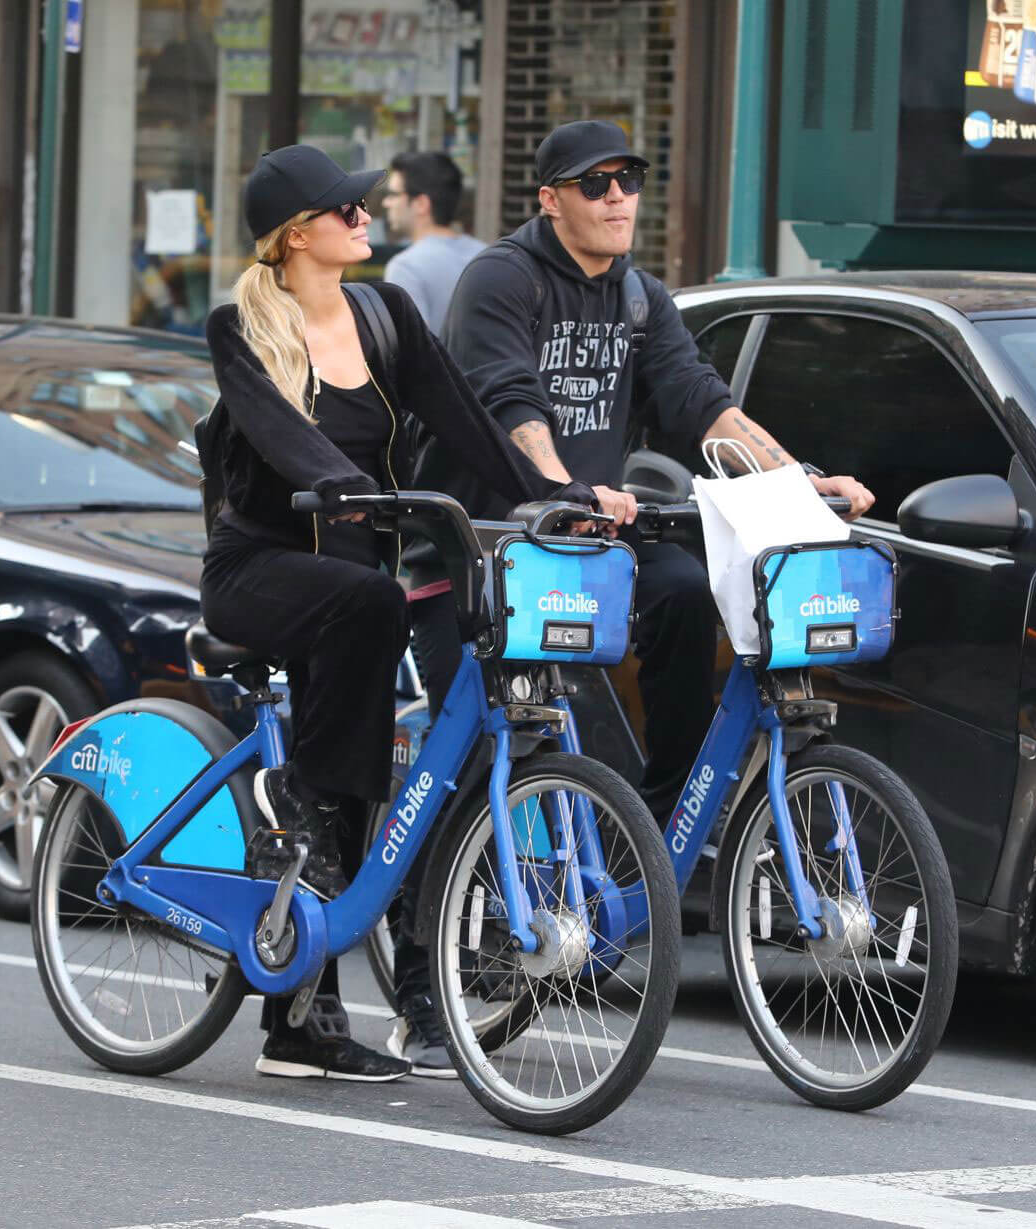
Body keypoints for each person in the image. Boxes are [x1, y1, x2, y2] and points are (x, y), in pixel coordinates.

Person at [388, 121, 875, 1058]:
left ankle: (647, 822)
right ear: (550, 199)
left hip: (593, 538)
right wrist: (561, 486)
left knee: (689, 591)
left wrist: (797, 479)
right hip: (484, 542)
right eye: (596, 183)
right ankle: (420, 987)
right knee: (465, 751)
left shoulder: (642, 298)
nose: (618, 197)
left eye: (630, 181)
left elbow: (701, 402)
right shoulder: (503, 280)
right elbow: (509, 399)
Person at [199, 143, 594, 1084]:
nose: (365, 215)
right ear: (298, 234)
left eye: (367, 201)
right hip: (262, 568)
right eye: (346, 206)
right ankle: (305, 825)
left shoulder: (385, 314)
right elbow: (280, 433)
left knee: (362, 758)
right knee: (367, 623)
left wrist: (553, 491)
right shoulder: (240, 325)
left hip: (354, 583)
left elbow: (463, 419)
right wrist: (343, 487)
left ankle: (304, 1012)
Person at [381, 151, 485, 335]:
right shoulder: (486, 253)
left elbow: (415, 354)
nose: (386, 202)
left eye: (394, 194)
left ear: (421, 204)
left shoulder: (406, 268)